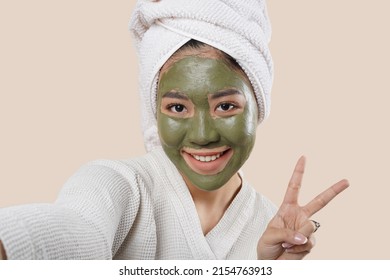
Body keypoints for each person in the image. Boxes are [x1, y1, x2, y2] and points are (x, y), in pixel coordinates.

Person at [0, 0, 349, 260]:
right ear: (156, 112)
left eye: (225, 106)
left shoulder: (275, 227)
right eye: (177, 108)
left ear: (259, 105)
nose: (201, 135)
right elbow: (79, 228)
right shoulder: (117, 184)